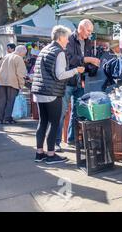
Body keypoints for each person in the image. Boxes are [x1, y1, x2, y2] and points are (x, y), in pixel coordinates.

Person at [31, 25, 85, 164]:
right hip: (52, 93)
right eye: (66, 38)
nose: (68, 41)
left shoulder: (44, 49)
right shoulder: (59, 52)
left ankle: (39, 153)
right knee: (54, 123)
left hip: (39, 92)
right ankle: (50, 154)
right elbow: (60, 75)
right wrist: (76, 71)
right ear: (61, 37)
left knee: (42, 122)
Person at [56, 19, 100, 151]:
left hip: (79, 81)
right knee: (61, 112)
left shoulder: (88, 42)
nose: (89, 34)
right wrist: (87, 59)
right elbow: (68, 58)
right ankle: (55, 143)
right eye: (88, 30)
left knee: (77, 112)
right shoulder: (68, 38)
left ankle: (72, 139)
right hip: (67, 81)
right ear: (81, 28)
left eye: (91, 31)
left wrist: (92, 66)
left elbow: (85, 61)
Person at [0, 45, 27, 124]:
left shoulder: (6, 56)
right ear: (20, 52)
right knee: (10, 101)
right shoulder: (19, 58)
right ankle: (7, 118)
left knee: (1, 101)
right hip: (12, 82)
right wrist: (21, 85)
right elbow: (20, 74)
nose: (24, 55)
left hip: (0, 81)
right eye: (24, 53)